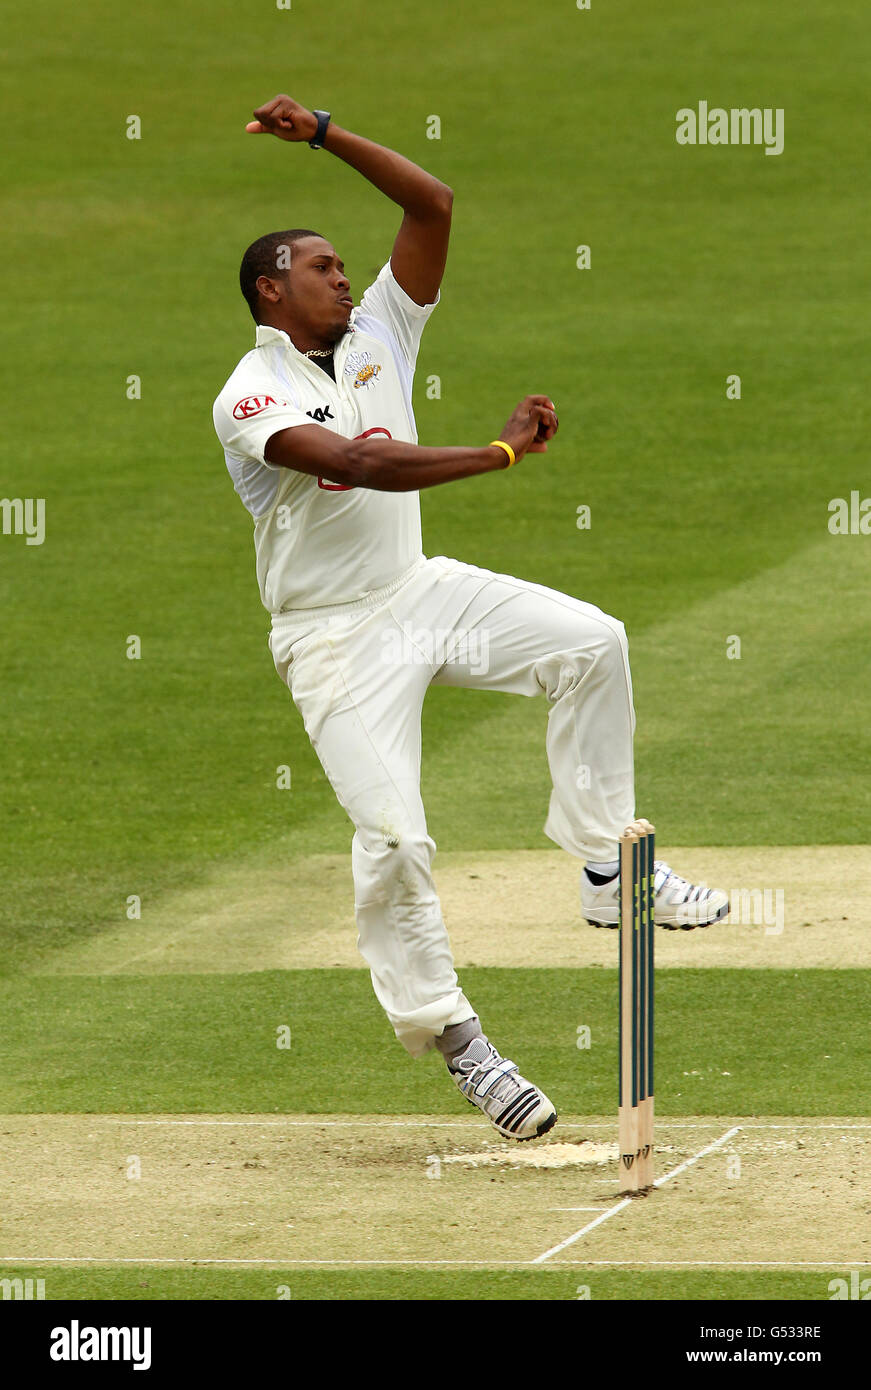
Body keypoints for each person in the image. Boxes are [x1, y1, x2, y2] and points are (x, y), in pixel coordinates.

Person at [212, 95, 729, 1143]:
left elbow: (433, 203)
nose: (346, 275)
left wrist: (323, 132)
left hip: (418, 591)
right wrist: (492, 456)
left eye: (346, 264)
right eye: (320, 266)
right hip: (333, 638)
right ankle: (463, 1045)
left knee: (591, 641)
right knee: (395, 838)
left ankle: (606, 871)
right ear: (272, 288)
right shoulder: (248, 396)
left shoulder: (380, 335)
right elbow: (356, 464)